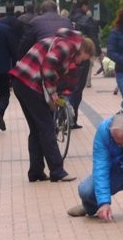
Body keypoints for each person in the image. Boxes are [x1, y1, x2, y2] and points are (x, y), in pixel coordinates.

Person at [10, 28, 95, 182]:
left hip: (21, 81)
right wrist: (53, 93)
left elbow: (69, 81)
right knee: (47, 127)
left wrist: (64, 98)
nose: (82, 61)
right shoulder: (67, 46)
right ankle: (57, 171)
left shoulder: (68, 49)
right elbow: (48, 67)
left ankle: (36, 172)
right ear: (82, 49)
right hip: (29, 83)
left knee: (37, 129)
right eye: (84, 58)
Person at [68, 0, 100, 128]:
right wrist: (98, 53)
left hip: (69, 55)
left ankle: (63, 114)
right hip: (83, 55)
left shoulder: (68, 19)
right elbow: (93, 38)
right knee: (78, 89)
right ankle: (72, 118)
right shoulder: (87, 20)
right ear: (84, 6)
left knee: (67, 86)